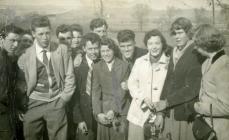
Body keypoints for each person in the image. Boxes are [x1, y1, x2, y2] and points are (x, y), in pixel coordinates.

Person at [17, 16, 75, 140]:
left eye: (47, 33)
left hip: (56, 101)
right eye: (41, 34)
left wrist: (64, 99)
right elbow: (21, 83)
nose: (45, 37)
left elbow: (70, 77)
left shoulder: (62, 50)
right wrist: (21, 104)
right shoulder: (25, 55)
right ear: (33, 34)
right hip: (33, 103)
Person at [155, 17, 205, 140]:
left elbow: (192, 88)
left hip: (185, 114)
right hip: (169, 112)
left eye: (180, 33)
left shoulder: (196, 53)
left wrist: (167, 102)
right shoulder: (174, 52)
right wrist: (161, 113)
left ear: (189, 33)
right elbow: (167, 82)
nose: (177, 37)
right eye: (174, 34)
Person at [127, 29, 170, 140]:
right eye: (150, 43)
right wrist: (143, 98)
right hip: (138, 114)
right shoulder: (140, 61)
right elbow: (131, 83)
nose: (154, 47)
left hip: (159, 115)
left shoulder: (169, 63)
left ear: (163, 44)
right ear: (146, 45)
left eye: (157, 43)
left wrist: (161, 112)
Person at [193, 24, 229, 140]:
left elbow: (226, 107)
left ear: (206, 44)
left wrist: (197, 107)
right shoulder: (207, 62)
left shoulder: (223, 66)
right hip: (207, 128)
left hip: (220, 132)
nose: (195, 48)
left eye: (197, 44)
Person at [92, 37, 130, 140]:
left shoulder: (124, 66)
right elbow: (95, 92)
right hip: (104, 112)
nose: (105, 54)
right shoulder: (96, 67)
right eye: (103, 51)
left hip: (120, 110)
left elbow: (122, 92)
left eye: (108, 50)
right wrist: (98, 113)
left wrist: (114, 110)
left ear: (113, 50)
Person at [73, 33, 101, 140]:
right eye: (90, 49)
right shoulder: (77, 67)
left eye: (96, 48)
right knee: (85, 137)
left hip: (99, 116)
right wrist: (79, 119)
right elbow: (74, 96)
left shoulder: (102, 64)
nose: (93, 52)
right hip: (83, 118)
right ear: (84, 48)